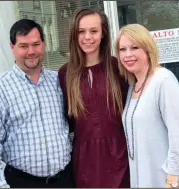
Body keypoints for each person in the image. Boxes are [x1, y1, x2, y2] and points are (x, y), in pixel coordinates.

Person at [0, 19, 74, 188]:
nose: (31, 51)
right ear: (12, 47)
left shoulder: (59, 81)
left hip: (65, 179)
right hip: (22, 182)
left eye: (36, 44)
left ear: (44, 44)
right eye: (23, 46)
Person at [115, 23, 179, 188]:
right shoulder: (133, 86)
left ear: (148, 49)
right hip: (149, 173)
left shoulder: (163, 80)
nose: (127, 55)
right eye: (122, 50)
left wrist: (172, 180)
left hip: (172, 176)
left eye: (134, 47)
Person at [58, 8, 130, 188]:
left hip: (119, 154)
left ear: (103, 33)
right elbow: (66, 119)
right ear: (74, 35)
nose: (87, 37)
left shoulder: (118, 67)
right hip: (84, 159)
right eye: (81, 31)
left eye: (94, 31)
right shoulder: (65, 73)